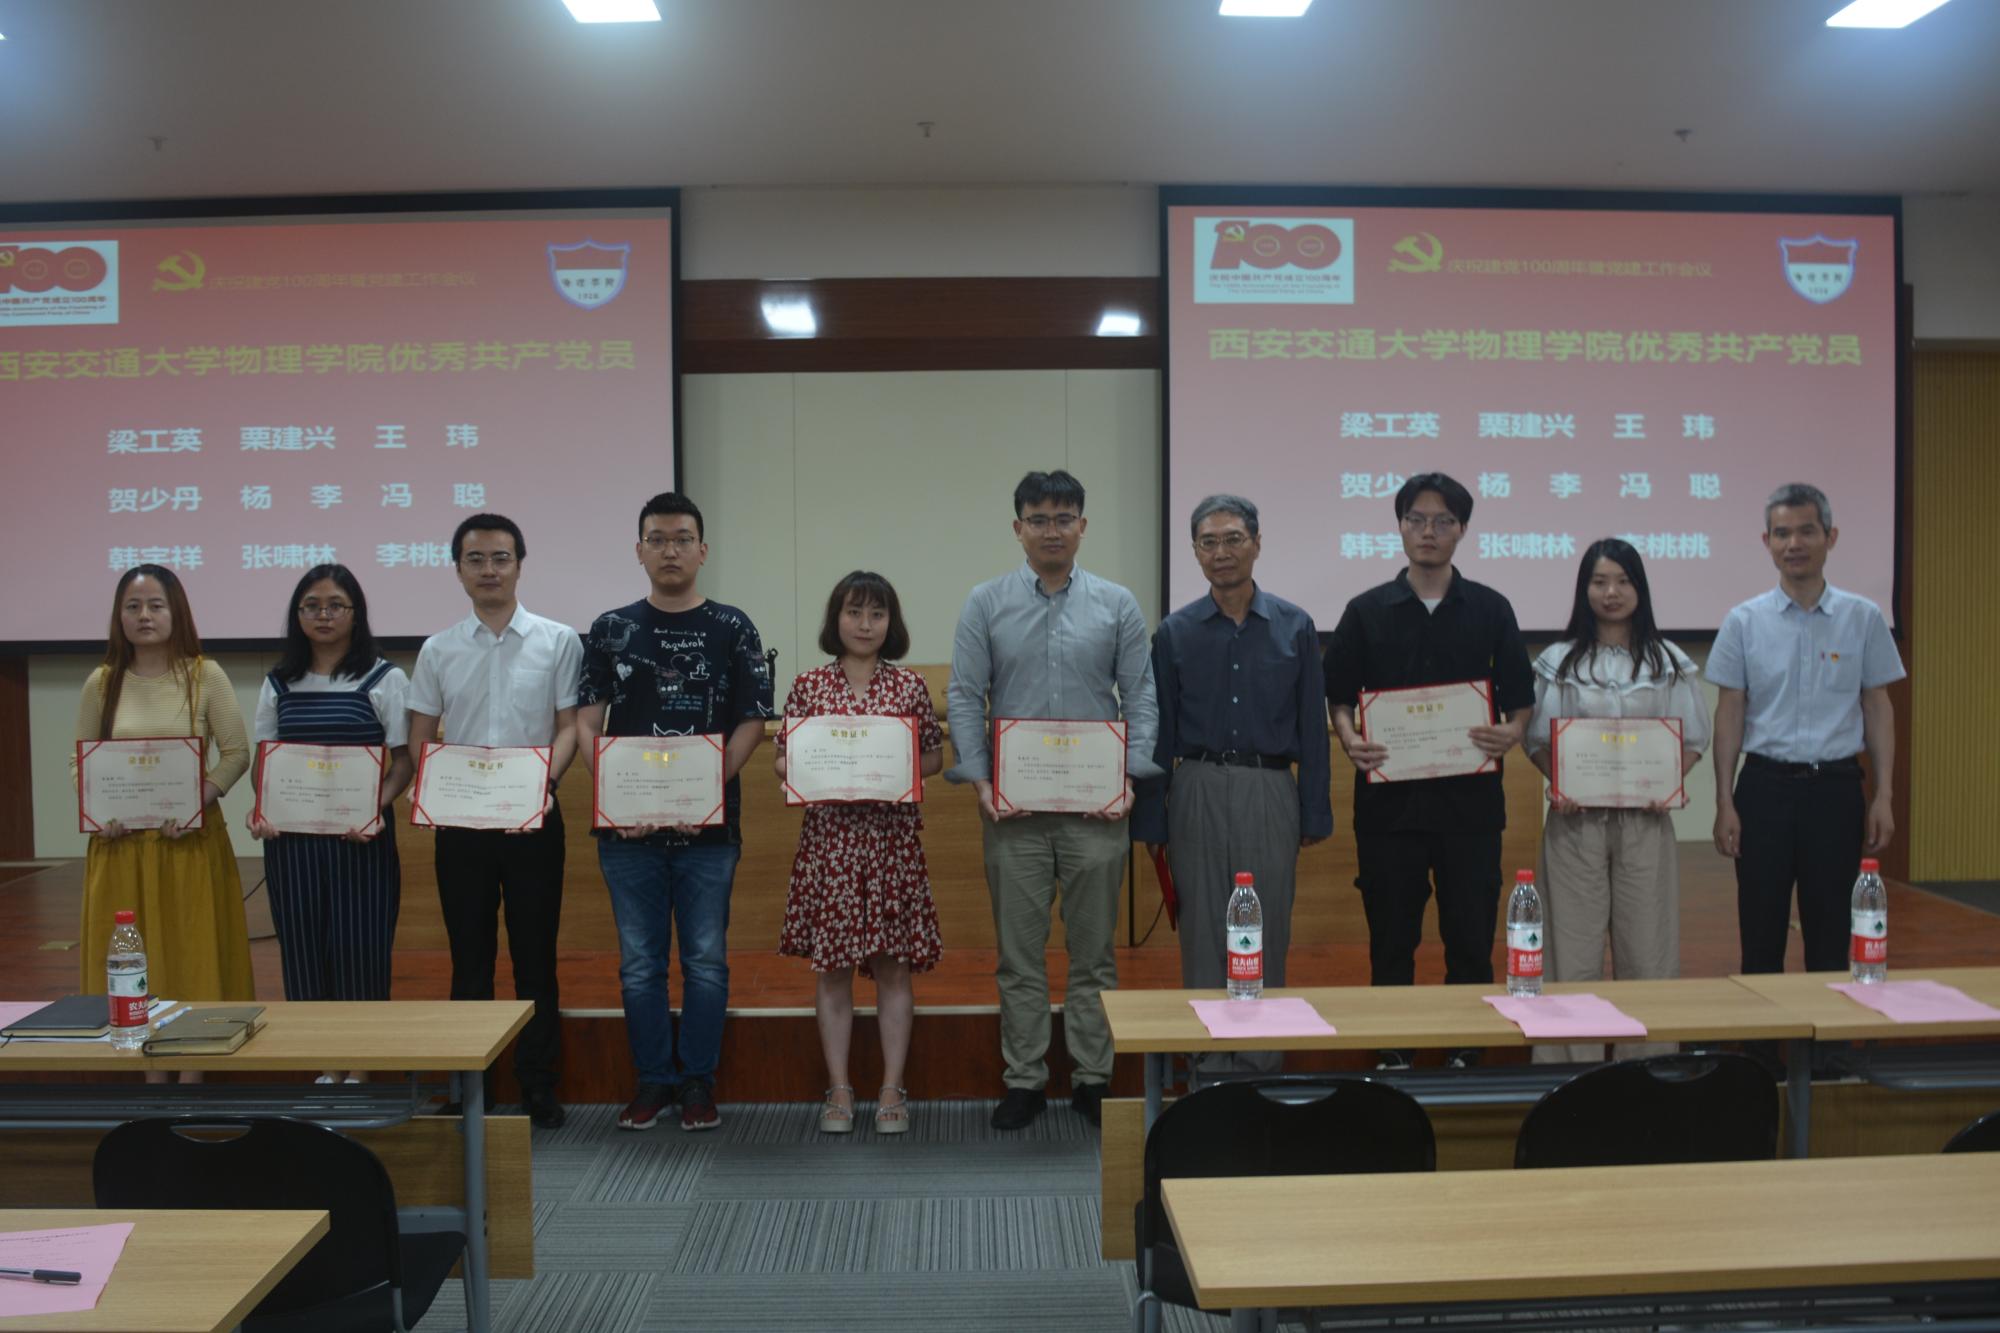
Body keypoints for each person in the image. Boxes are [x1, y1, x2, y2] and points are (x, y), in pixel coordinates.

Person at [946, 469, 1160, 1130]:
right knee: (1019, 956)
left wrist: (1129, 778)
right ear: (1018, 528)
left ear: (1082, 527)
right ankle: (1025, 1079)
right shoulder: (985, 602)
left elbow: (1140, 695)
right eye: (1038, 519)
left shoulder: (1117, 604)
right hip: (1014, 814)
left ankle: (1094, 1076)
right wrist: (981, 781)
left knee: (1094, 954)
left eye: (1064, 518)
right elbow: (964, 696)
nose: (1051, 530)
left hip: (1098, 811)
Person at [1323, 473, 1533, 1070]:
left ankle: (1467, 1046)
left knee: (1470, 936)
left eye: (1443, 521)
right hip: (1390, 809)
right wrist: (1348, 737)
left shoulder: (1491, 609)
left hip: (1470, 809)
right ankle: (1393, 1048)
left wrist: (1513, 732)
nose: (1428, 531)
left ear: (1462, 529)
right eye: (1416, 519)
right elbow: (1339, 697)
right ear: (1400, 526)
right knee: (1392, 938)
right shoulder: (1365, 612)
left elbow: (1520, 699)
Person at [577, 493, 773, 1133]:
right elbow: (586, 722)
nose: (670, 550)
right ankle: (653, 1080)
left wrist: (704, 788)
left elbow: (752, 721)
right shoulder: (610, 628)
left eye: (682, 539)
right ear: (639, 550)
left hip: (708, 830)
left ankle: (697, 1083)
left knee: (705, 961)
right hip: (627, 831)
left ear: (702, 550)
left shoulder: (733, 627)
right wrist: (615, 794)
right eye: (657, 539)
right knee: (639, 964)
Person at [1134, 494, 1331, 1078]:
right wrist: (1152, 819)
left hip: (1270, 788)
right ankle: (1207, 1062)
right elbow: (1158, 731)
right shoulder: (1174, 633)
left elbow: (1312, 728)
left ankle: (1259, 1062)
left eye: (1233, 539)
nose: (1221, 552)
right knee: (1201, 930)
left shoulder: (1295, 626)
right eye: (1208, 542)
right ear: (1195, 552)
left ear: (1257, 543)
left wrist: (1313, 811)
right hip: (1194, 785)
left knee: (1266, 927)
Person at [408, 514, 581, 1129]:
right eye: (475, 559)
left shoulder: (559, 640)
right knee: (469, 960)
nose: (489, 570)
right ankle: (469, 1087)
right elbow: (421, 736)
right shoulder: (438, 649)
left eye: (500, 558)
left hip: (533, 822)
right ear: (458, 569)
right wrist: (433, 790)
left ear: (519, 565)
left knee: (536, 959)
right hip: (461, 829)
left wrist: (544, 785)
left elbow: (568, 728)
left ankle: (538, 1086)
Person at [1525, 539, 1710, 1061]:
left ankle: (1647, 1070)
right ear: (1584, 590)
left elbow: (1694, 738)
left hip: (1645, 824)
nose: (1611, 592)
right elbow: (1537, 740)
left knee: (1649, 951)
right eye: (1600, 581)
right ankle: (1566, 1073)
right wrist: (1559, 780)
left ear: (1640, 589)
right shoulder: (1558, 662)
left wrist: (1667, 782)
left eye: (1623, 581)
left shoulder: (1668, 661)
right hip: (1575, 824)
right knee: (1571, 952)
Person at [1709, 482, 1904, 975]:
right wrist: (1724, 800)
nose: (1793, 543)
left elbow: (1877, 705)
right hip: (1763, 789)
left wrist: (1884, 795)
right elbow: (1730, 712)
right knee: (1760, 936)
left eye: (1806, 531)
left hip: (1835, 789)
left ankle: (1828, 1029)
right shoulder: (1743, 622)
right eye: (1782, 534)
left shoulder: (1863, 618)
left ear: (1830, 537)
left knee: (1831, 936)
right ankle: (1762, 1029)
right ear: (1767, 542)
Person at [776, 572, 945, 1135]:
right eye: (854, 612)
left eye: (877, 614)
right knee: (833, 971)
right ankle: (840, 1088)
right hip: (832, 847)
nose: (865, 624)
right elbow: (782, 759)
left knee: (894, 968)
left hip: (891, 845)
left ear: (891, 623)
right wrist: (802, 767)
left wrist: (895, 766)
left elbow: (933, 757)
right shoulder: (808, 686)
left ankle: (893, 1087)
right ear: (836, 619)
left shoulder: (910, 687)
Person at [73, 565, 254, 1058]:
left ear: (177, 613)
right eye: (132, 607)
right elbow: (80, 760)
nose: (144, 616)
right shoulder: (101, 682)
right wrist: (98, 811)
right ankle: (138, 1059)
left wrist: (198, 798)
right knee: (131, 959)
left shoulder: (205, 675)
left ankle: (195, 1063)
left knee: (192, 951)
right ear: (119, 617)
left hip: (188, 844)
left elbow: (236, 753)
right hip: (121, 847)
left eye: (156, 605)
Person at [247, 564, 414, 1083]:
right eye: (312, 606)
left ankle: (360, 1068)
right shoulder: (279, 682)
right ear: (297, 615)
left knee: (360, 950)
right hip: (292, 843)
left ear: (355, 614)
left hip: (360, 840)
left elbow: (404, 762)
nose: (324, 615)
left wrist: (375, 808)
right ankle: (324, 1064)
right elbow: (264, 762)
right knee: (302, 950)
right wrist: (262, 807)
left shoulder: (385, 678)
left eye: (336, 605)